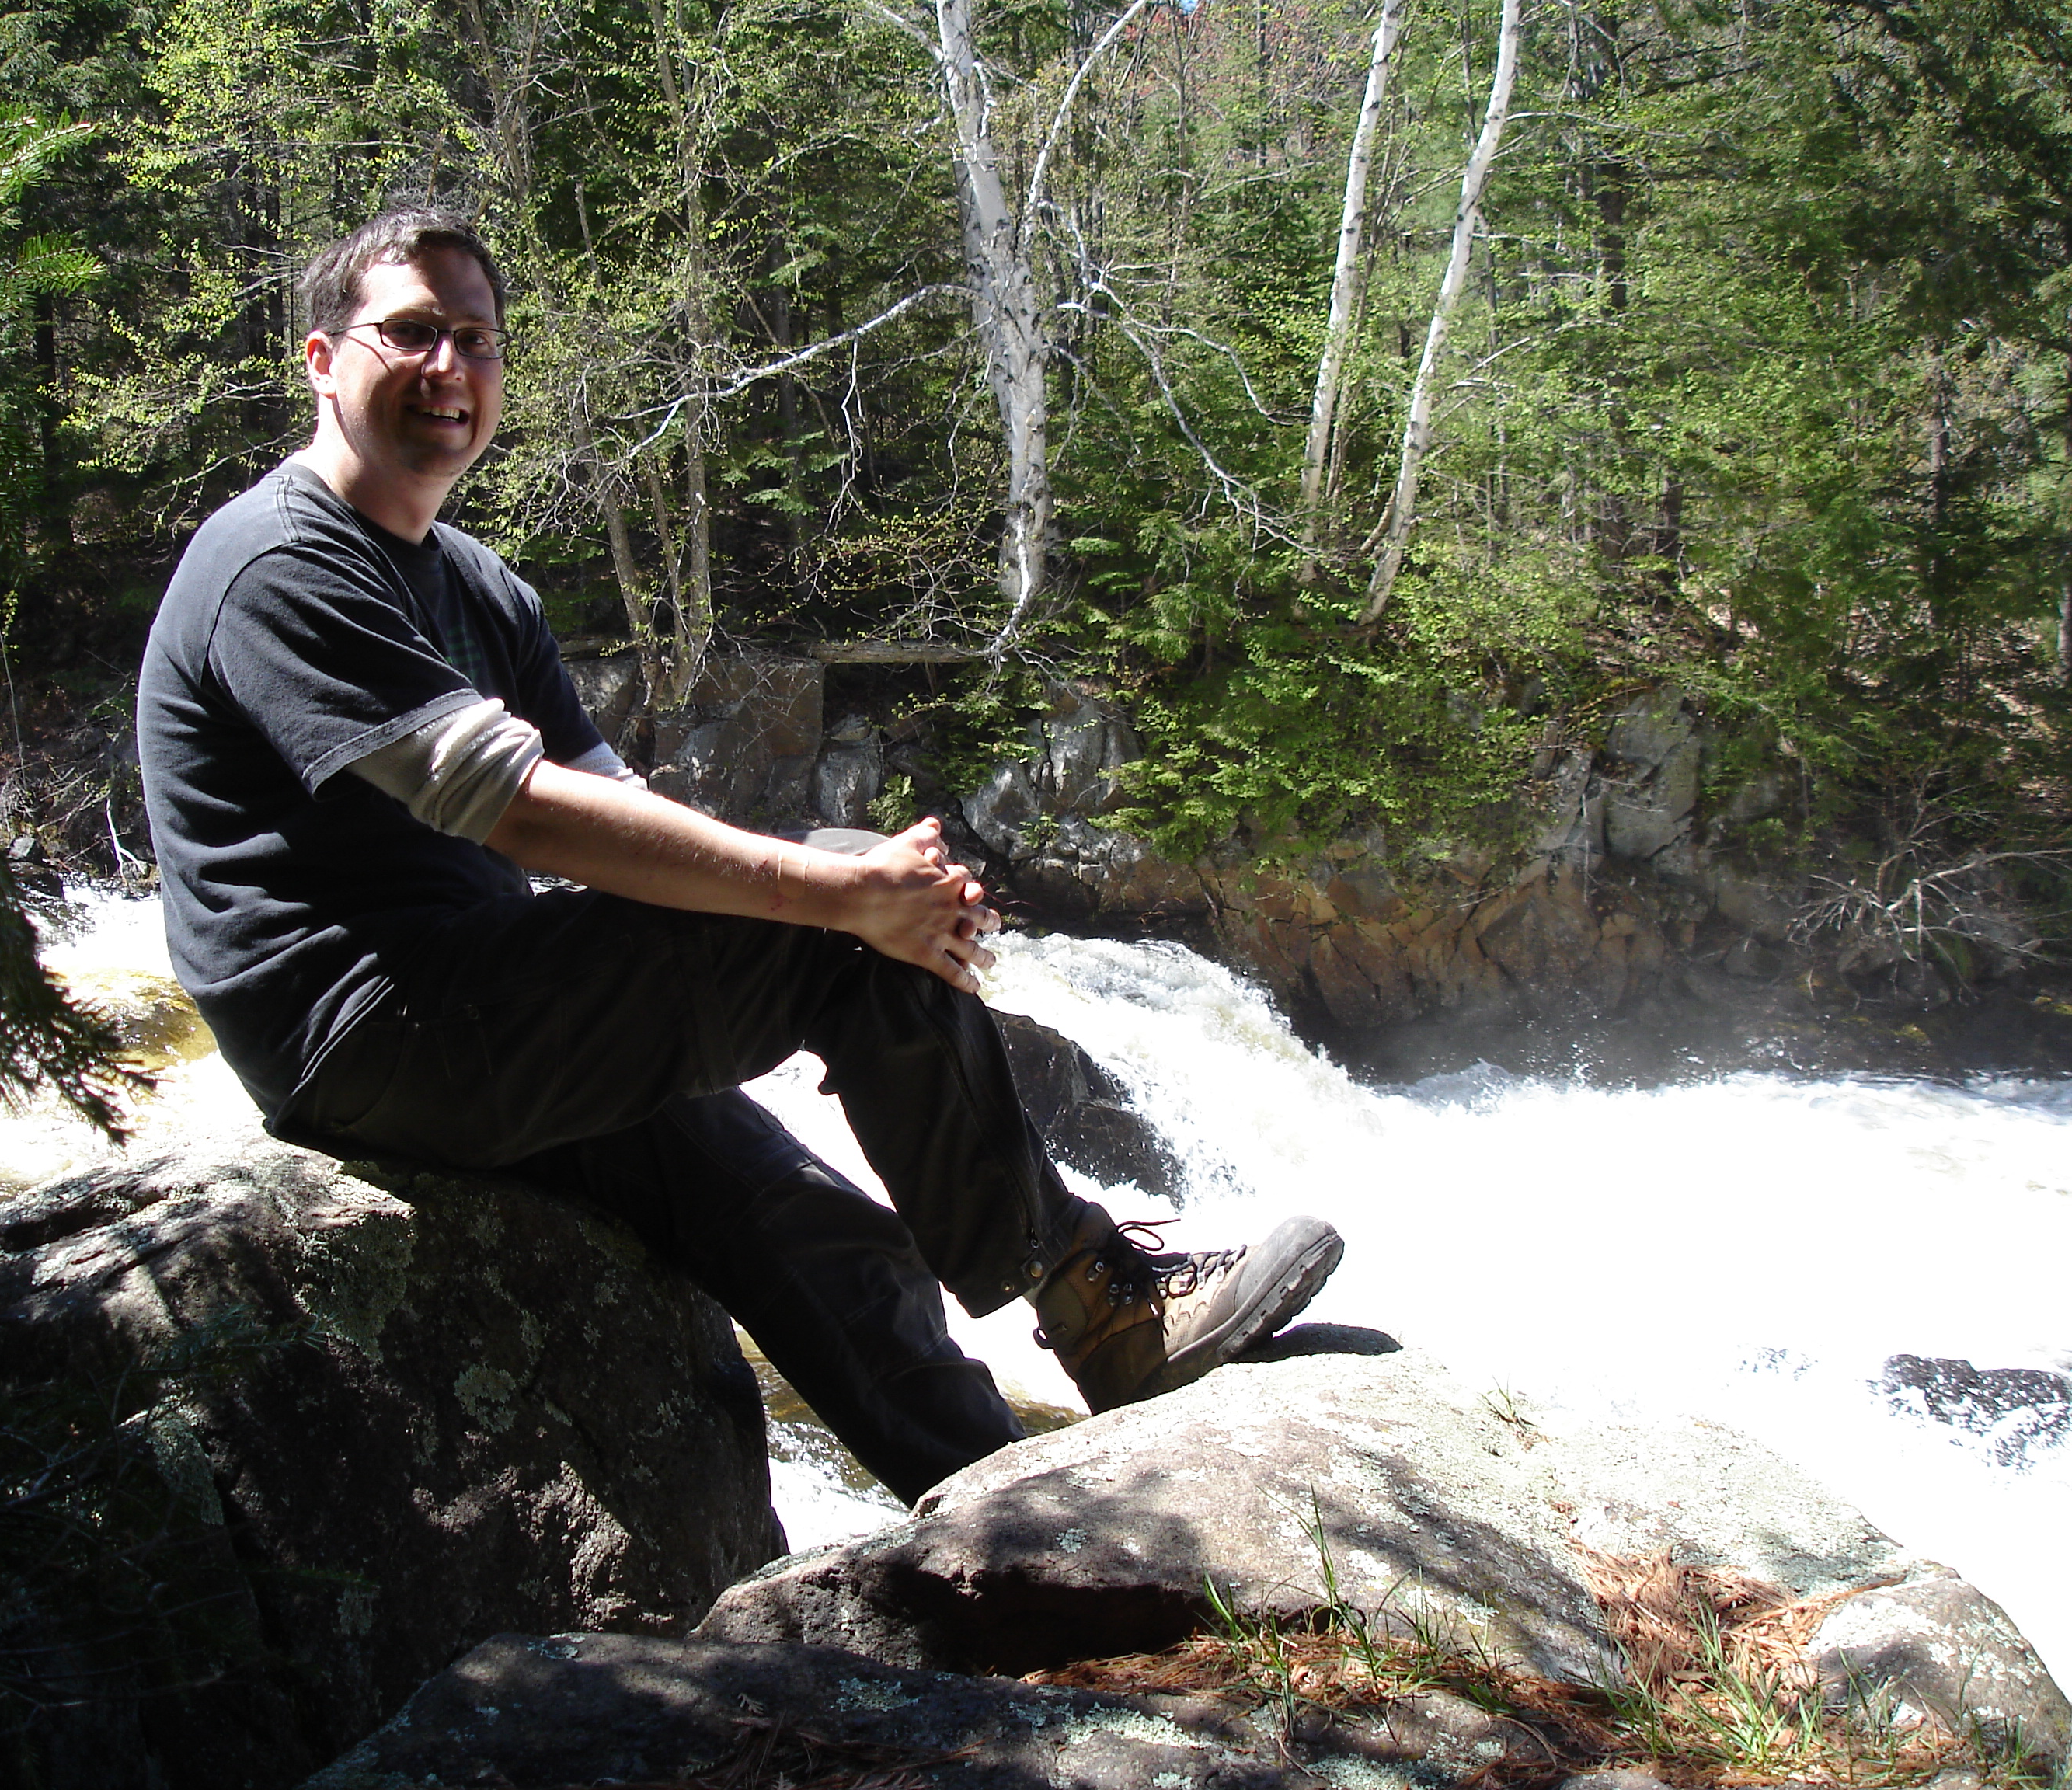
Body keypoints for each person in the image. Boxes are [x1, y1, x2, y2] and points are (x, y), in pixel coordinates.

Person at [136, 209, 1342, 1506]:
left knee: (807, 1221)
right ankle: (1095, 1300)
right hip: (365, 1034)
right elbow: (514, 808)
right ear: (324, 361)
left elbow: (610, 803)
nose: (449, 369)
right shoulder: (279, 560)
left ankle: (1013, 1524)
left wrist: (867, 886)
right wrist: (840, 892)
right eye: (412, 333)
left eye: (475, 340)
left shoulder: (481, 587)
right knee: (843, 929)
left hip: (481, 998)